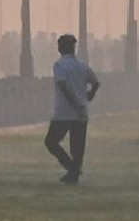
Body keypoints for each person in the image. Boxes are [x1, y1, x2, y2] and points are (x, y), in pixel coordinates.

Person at [44, 34, 100, 184]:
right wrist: (90, 94)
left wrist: (72, 102)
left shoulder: (59, 65)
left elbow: (62, 85)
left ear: (61, 48)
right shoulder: (82, 65)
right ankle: (73, 171)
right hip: (81, 111)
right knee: (78, 147)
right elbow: (95, 82)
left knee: (51, 141)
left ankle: (71, 168)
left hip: (63, 112)